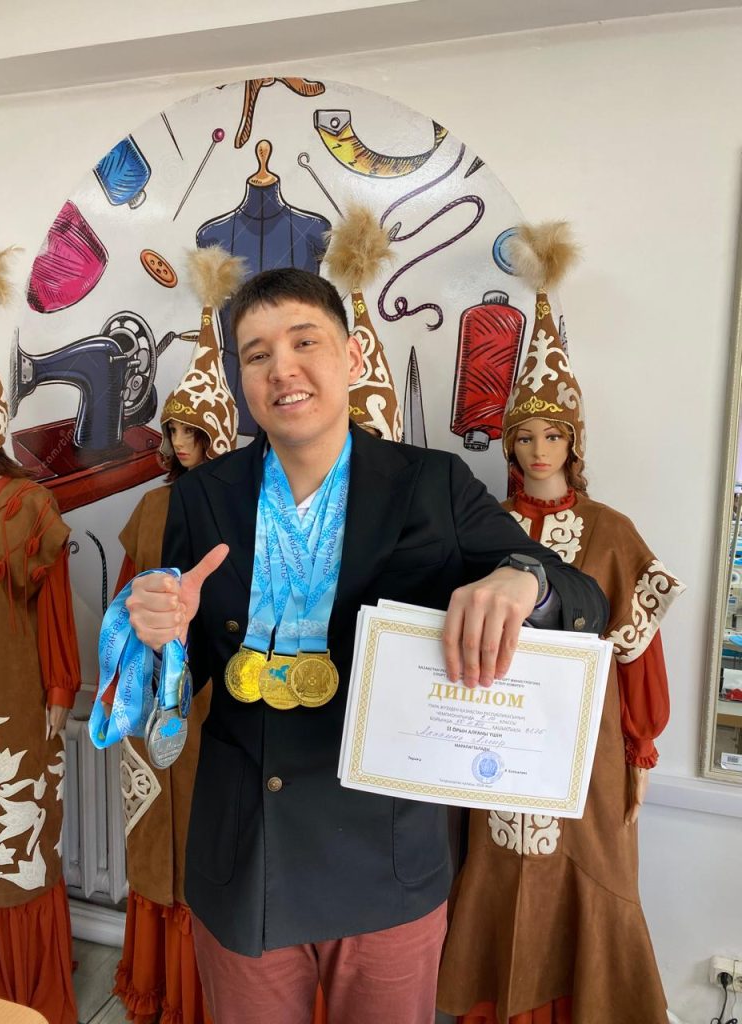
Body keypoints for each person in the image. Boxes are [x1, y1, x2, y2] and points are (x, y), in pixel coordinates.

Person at [123, 266, 609, 1024]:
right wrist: (161, 639)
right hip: (244, 853)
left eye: (304, 342)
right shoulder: (203, 497)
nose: (282, 369)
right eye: (257, 354)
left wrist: (523, 580)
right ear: (242, 379)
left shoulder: (433, 485)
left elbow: (583, 601)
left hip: (385, 856)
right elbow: (186, 679)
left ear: (350, 357)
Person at [436, 223, 685, 1024]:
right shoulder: (483, 525)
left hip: (589, 747)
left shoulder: (611, 532)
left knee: (591, 873)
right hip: (494, 735)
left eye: (553, 435)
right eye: (525, 436)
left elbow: (638, 654)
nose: (539, 449)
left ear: (574, 442)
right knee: (498, 869)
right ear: (509, 445)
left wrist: (640, 748)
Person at [111, 248, 241, 1024]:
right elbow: (126, 596)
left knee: (203, 831)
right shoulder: (152, 508)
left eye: (196, 432)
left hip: (214, 697)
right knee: (156, 830)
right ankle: (163, 985)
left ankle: (208, 992)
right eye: (175, 431)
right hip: (149, 691)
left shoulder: (241, 511)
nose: (184, 444)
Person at [0, 241, 81, 1024]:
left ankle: (17, 996)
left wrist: (56, 700)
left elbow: (54, 617)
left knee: (10, 854)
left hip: (10, 709)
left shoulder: (30, 507)